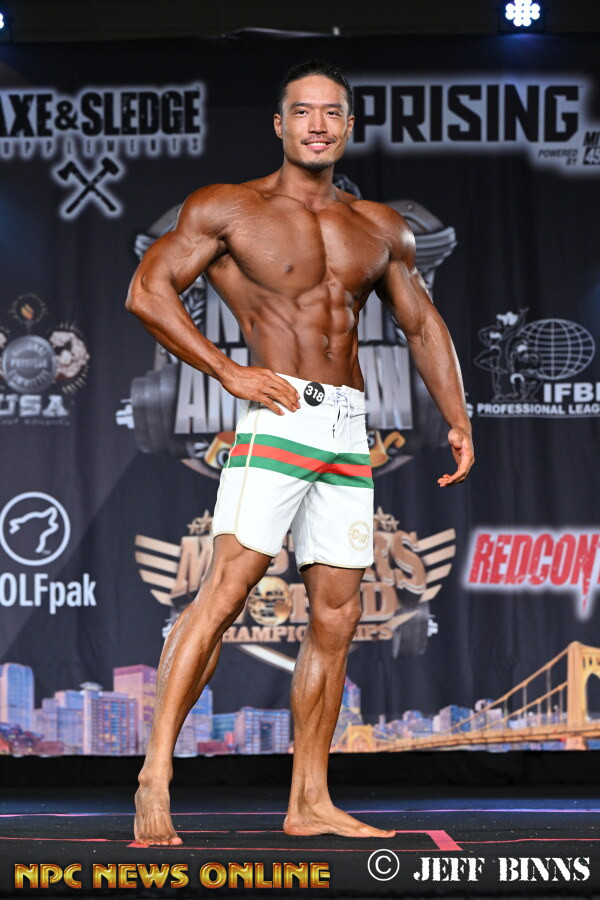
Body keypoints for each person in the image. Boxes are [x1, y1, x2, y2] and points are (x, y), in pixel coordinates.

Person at [125, 59, 474, 844]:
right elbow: (147, 291)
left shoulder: (379, 227)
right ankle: (155, 775)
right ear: (280, 125)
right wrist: (227, 373)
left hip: (349, 427)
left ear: (349, 126)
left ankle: (309, 800)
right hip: (280, 416)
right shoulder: (229, 208)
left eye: (332, 112)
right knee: (224, 594)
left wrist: (458, 416)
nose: (318, 125)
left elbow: (421, 324)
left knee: (337, 616)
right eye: (304, 112)